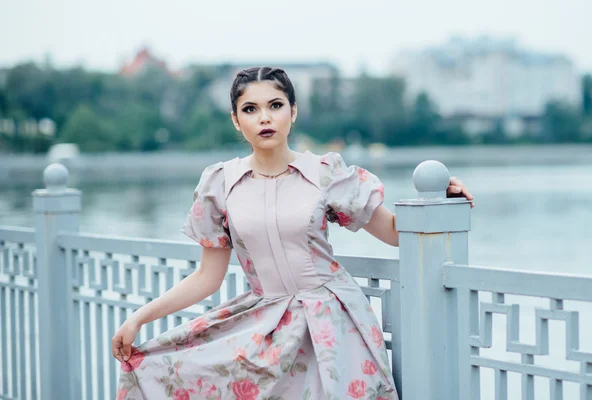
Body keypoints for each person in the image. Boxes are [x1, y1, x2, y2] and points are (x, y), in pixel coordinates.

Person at [111, 66, 474, 400]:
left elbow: (394, 232)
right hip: (264, 324)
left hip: (331, 325)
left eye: (275, 105)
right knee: (164, 369)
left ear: (293, 111)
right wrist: (138, 318)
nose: (265, 117)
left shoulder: (325, 173)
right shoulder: (220, 184)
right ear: (236, 121)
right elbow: (208, 277)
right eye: (250, 109)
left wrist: (440, 200)